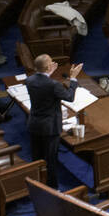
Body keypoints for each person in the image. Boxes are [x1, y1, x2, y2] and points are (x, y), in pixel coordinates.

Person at [25, 54, 82, 188]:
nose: (53, 63)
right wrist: (73, 78)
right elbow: (69, 97)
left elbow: (42, 83)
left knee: (37, 158)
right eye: (51, 62)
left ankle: (36, 184)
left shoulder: (29, 80)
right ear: (49, 67)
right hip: (50, 128)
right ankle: (52, 189)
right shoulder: (54, 85)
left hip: (34, 124)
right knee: (51, 161)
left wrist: (48, 72)